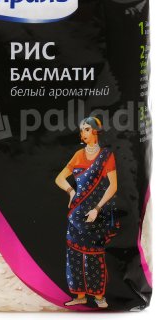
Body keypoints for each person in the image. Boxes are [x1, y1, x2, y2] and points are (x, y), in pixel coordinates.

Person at [55, 117, 119, 308]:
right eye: (81, 129)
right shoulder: (78, 155)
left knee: (94, 255)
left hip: (95, 214)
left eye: (86, 129)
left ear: (96, 131)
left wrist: (97, 209)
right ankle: (80, 296)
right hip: (76, 213)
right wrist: (71, 192)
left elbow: (113, 186)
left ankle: (99, 297)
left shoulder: (106, 156)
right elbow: (59, 178)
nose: (82, 133)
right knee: (74, 254)